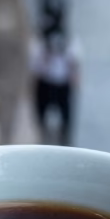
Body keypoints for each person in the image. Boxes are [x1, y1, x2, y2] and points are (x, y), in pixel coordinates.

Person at [29, 17, 81, 146]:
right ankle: (43, 141)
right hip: (46, 84)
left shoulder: (70, 42)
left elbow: (74, 64)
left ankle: (65, 142)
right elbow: (36, 68)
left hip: (61, 85)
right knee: (42, 118)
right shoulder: (40, 44)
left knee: (65, 120)